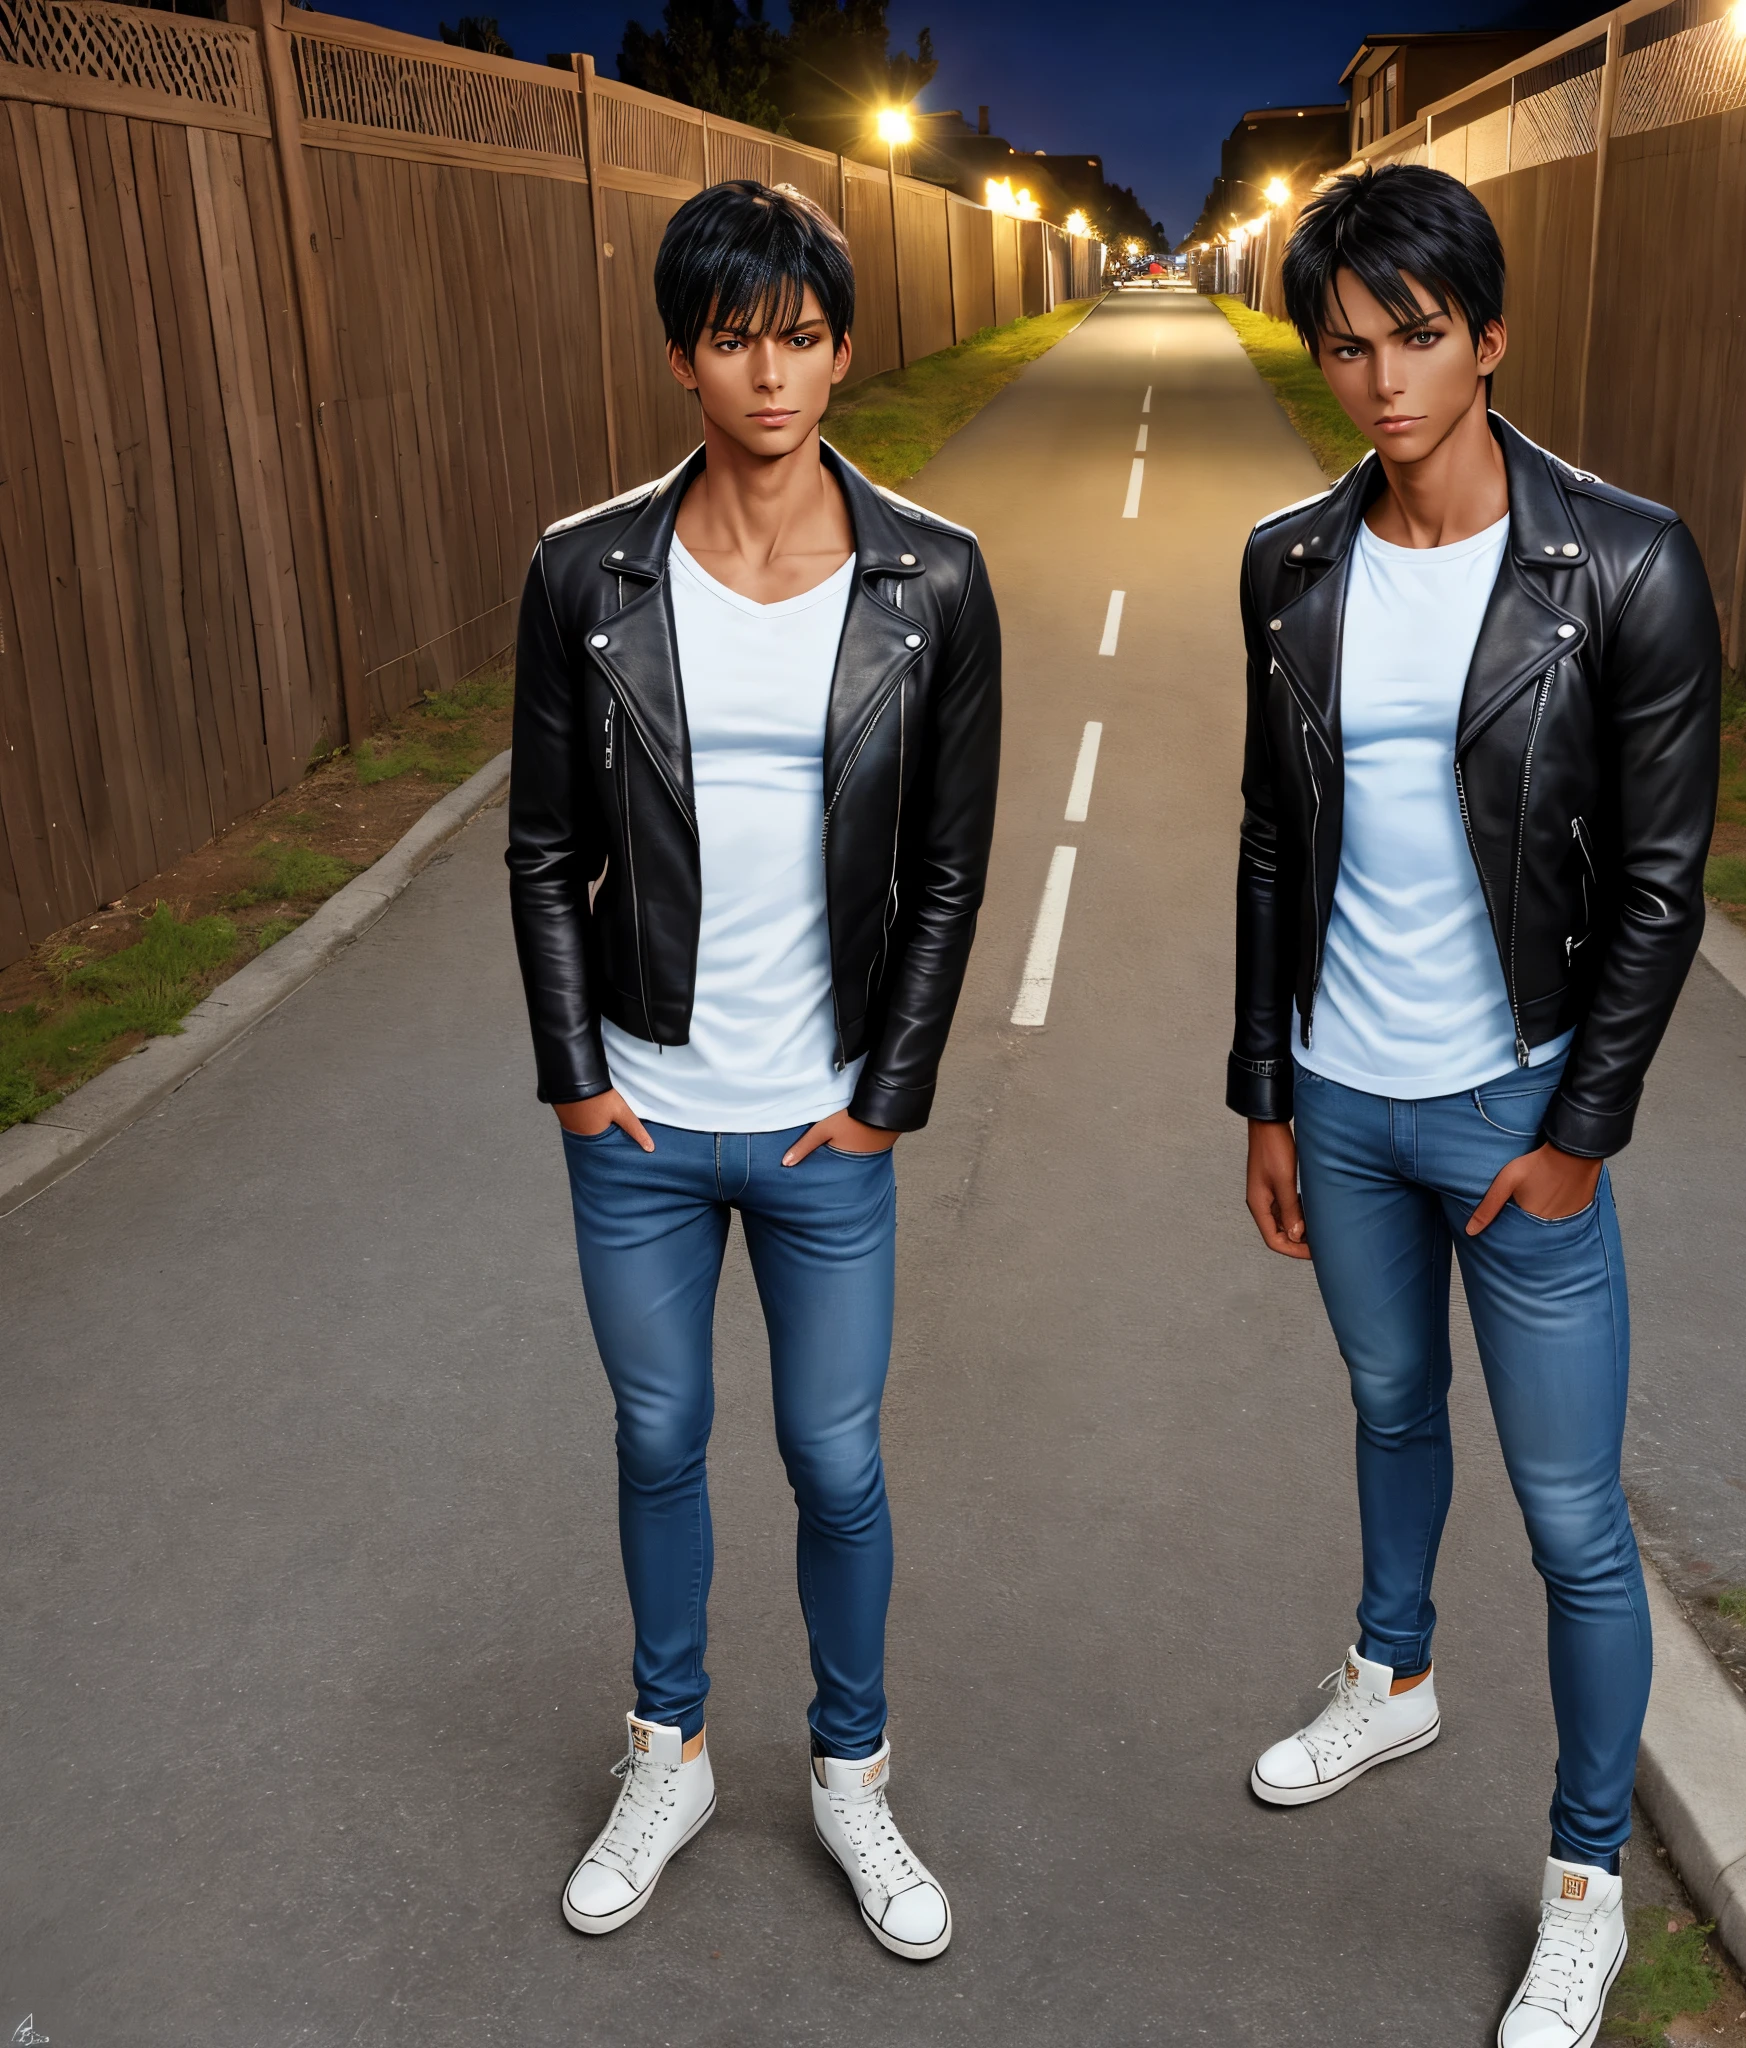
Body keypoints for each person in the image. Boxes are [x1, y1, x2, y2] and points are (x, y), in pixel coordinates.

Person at [1228, 165, 1719, 2046]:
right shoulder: (1289, 564)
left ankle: (1585, 1879)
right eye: (1345, 345)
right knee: (1385, 1402)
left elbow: (1662, 884)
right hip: (1346, 1098)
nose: (1381, 378)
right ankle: (1393, 1676)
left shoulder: (1624, 563)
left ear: (1488, 337)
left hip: (1521, 1106)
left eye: (1416, 336)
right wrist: (1266, 1091)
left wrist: (1581, 1131)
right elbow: (1277, 837)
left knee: (1576, 1517)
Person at [506, 179, 1000, 1958]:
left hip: (821, 1131)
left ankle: (853, 1778)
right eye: (734, 337)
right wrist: (578, 1077)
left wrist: (885, 1097)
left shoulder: (932, 577)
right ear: (681, 358)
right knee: (657, 1437)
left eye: (800, 333)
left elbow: (949, 867)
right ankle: (673, 1750)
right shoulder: (588, 573)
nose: (770, 370)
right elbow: (540, 848)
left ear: (842, 347)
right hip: (638, 1115)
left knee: (835, 1460)